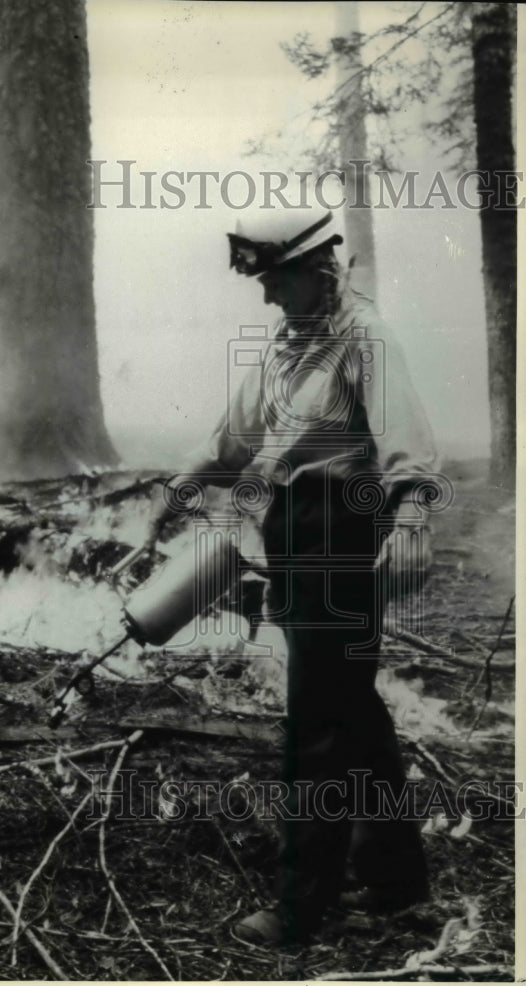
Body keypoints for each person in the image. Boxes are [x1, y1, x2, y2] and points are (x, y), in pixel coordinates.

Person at [144, 204, 440, 947]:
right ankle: (399, 882)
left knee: (317, 721)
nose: (268, 296)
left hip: (344, 531)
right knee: (349, 704)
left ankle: (302, 906)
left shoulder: (366, 339)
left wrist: (410, 521)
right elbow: (236, 438)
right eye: (264, 283)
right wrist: (179, 490)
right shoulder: (287, 344)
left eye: (278, 281)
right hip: (293, 532)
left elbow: (409, 443)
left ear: (320, 271)